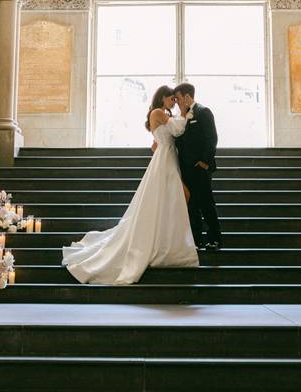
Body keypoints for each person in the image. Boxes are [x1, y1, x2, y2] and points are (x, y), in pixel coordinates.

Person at [62, 85, 199, 284]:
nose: (174, 102)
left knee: (167, 200)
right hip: (164, 160)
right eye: (172, 99)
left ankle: (167, 241)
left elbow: (161, 139)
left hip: (166, 157)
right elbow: (177, 130)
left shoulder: (162, 113)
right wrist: (186, 113)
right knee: (165, 197)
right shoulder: (159, 112)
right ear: (163, 98)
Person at [173, 83, 222, 251]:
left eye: (178, 99)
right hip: (186, 168)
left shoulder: (203, 112)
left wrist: (205, 162)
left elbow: (212, 138)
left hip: (200, 167)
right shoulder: (182, 116)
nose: (177, 102)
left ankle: (214, 239)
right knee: (192, 205)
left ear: (187, 97)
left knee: (206, 203)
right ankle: (196, 240)